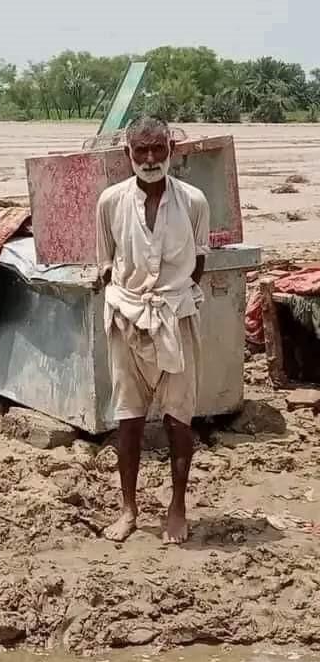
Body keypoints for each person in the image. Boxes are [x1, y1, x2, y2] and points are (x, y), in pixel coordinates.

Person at [95, 115, 210, 544]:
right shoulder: (109, 202)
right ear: (127, 153)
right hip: (126, 319)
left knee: (180, 419)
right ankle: (128, 509)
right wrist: (130, 300)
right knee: (128, 418)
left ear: (171, 151)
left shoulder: (194, 201)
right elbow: (106, 263)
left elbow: (199, 262)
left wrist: (169, 298)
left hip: (176, 317)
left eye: (157, 149)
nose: (148, 159)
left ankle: (177, 508)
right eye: (139, 150)